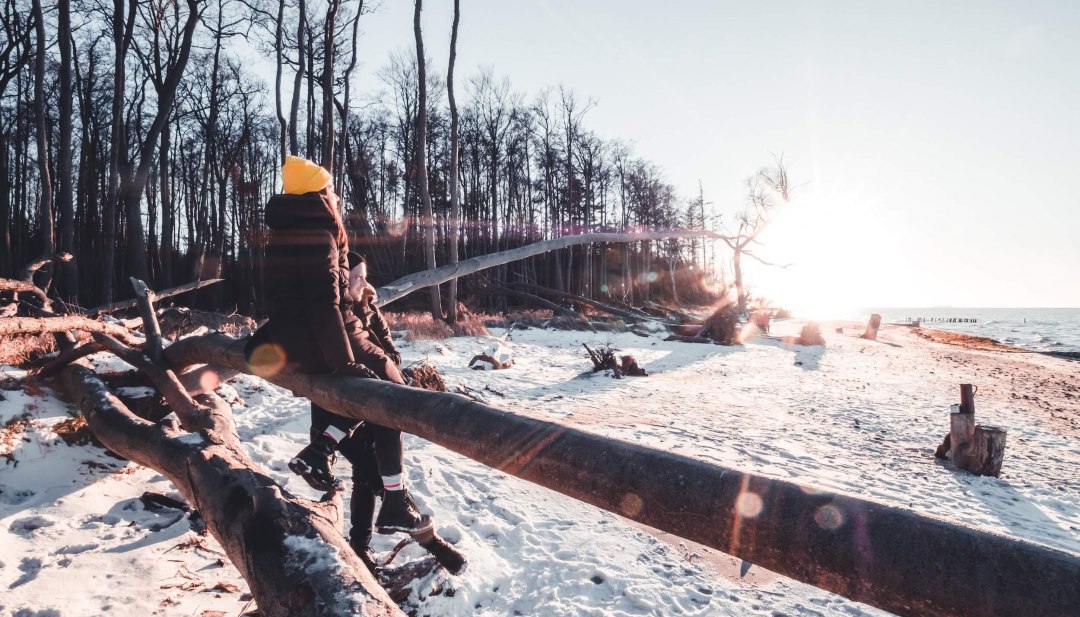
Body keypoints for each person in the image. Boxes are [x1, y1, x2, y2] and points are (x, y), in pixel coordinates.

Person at [246, 155, 425, 538]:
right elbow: (323, 305)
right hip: (323, 338)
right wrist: (343, 361)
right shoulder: (320, 234)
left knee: (380, 386)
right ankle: (393, 500)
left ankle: (322, 452)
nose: (337, 196)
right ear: (318, 193)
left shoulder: (284, 232)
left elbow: (286, 300)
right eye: (331, 189)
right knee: (392, 390)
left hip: (294, 339)